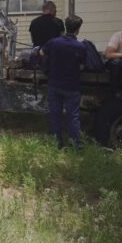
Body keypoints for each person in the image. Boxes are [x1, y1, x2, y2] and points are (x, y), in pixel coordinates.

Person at [41, 15, 86, 149]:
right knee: (73, 117)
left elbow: (42, 54)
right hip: (71, 86)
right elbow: (82, 67)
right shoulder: (80, 46)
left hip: (54, 84)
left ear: (66, 26)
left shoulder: (53, 42)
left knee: (55, 115)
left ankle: (57, 143)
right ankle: (76, 145)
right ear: (77, 29)